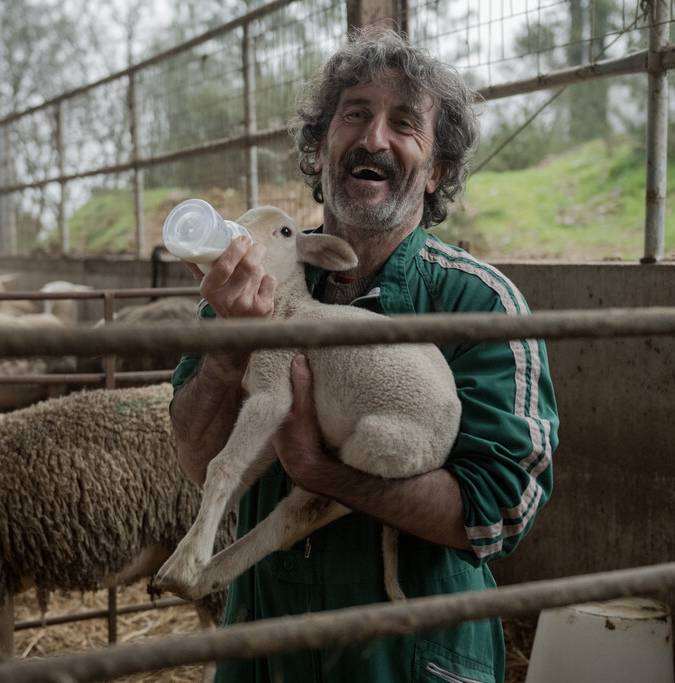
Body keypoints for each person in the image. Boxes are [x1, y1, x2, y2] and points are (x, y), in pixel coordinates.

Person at [169, 27, 558, 683]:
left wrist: (325, 474)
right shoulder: (253, 287)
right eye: (355, 114)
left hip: (407, 659)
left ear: (435, 169)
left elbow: (500, 510)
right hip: (266, 649)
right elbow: (196, 457)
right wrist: (230, 348)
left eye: (404, 123)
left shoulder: (480, 305)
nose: (375, 137)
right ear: (319, 152)